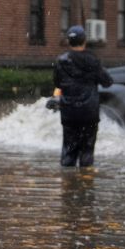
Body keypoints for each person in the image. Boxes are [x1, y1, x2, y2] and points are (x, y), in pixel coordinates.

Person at [50, 24, 113, 169]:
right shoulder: (93, 60)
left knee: (68, 150)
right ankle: (85, 180)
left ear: (69, 41)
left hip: (69, 113)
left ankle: (67, 180)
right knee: (87, 151)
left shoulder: (61, 61)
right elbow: (107, 82)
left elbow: (58, 84)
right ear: (84, 40)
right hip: (89, 113)